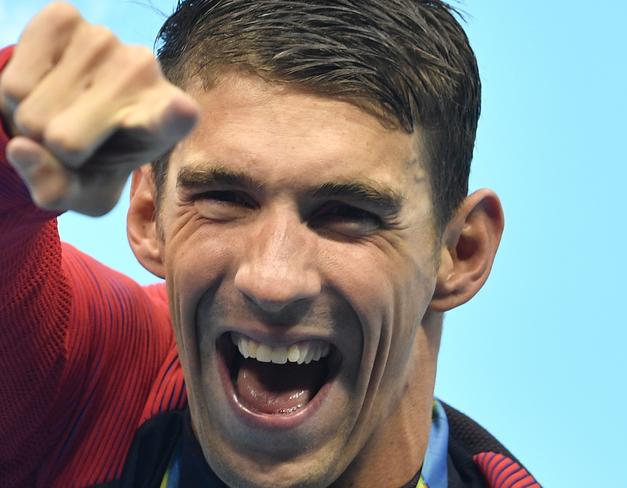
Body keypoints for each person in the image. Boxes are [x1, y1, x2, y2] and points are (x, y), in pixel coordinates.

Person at [0, 1, 541, 487]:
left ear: (461, 252)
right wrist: (11, 133)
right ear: (148, 215)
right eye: (224, 198)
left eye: (348, 214)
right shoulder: (83, 392)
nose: (272, 282)